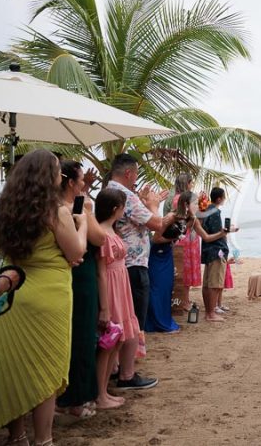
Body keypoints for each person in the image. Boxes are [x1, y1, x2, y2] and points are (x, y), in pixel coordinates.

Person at [0, 149, 88, 446]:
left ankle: (17, 435)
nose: (61, 176)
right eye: (58, 171)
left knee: (16, 367)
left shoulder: (5, 210)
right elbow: (76, 253)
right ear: (49, 176)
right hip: (50, 297)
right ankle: (44, 440)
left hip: (14, 295)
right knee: (45, 371)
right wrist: (82, 224)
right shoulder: (57, 210)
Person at [107, 153, 175, 390]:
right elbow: (156, 224)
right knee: (132, 320)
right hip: (133, 265)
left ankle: (116, 368)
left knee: (119, 319)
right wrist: (155, 207)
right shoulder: (126, 195)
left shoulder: (109, 191)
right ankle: (127, 374)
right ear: (129, 173)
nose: (136, 178)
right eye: (136, 173)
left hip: (118, 265)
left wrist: (148, 205)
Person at [55, 161, 107, 420]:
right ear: (72, 183)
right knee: (83, 336)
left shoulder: (50, 208)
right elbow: (99, 239)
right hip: (81, 277)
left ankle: (64, 396)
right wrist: (87, 211)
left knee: (66, 338)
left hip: (62, 276)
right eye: (81, 181)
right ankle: (77, 398)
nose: (85, 185)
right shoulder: (72, 211)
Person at [93, 187, 140, 410]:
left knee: (118, 338)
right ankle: (100, 393)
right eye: (122, 207)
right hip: (111, 286)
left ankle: (104, 392)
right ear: (115, 209)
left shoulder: (111, 230)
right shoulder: (102, 233)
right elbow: (101, 272)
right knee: (108, 341)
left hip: (120, 284)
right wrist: (104, 307)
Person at [200, 187, 236, 321]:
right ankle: (211, 313)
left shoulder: (207, 210)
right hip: (216, 250)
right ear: (219, 198)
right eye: (224, 197)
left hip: (208, 250)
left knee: (208, 283)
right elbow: (216, 234)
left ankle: (209, 312)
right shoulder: (214, 212)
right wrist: (226, 232)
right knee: (215, 284)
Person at [170, 174, 200, 314]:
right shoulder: (182, 199)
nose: (191, 185)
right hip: (186, 237)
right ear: (186, 183)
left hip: (184, 236)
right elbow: (193, 216)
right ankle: (185, 300)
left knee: (184, 270)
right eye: (190, 183)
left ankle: (184, 299)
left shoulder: (176, 198)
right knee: (185, 270)